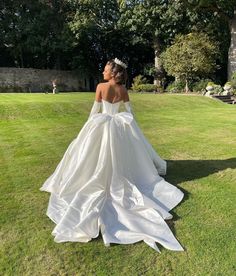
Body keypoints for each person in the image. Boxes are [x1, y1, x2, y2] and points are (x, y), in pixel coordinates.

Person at [39, 58, 184, 253]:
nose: (103, 72)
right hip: (119, 126)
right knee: (121, 156)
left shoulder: (100, 86)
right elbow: (130, 112)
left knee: (90, 154)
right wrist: (132, 128)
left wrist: (88, 128)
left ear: (113, 72)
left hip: (102, 124)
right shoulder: (123, 90)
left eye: (106, 70)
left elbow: (95, 111)